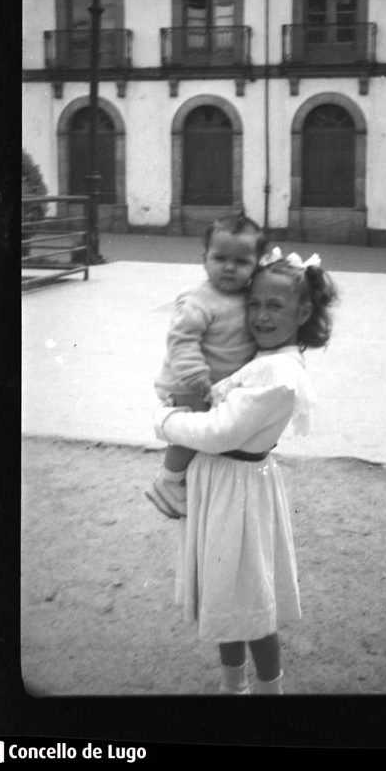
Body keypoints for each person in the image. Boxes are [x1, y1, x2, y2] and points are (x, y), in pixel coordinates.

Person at [153, 248, 338, 694]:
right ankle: (233, 688)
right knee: (225, 594)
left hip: (238, 488)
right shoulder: (261, 358)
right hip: (223, 486)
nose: (260, 315)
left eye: (274, 306)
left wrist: (163, 421)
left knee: (250, 601)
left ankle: (269, 692)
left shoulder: (279, 372)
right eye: (253, 304)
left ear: (304, 311)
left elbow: (219, 432)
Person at [145, 214, 269, 520]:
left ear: (257, 263)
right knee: (192, 432)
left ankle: (190, 478)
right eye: (220, 258)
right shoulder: (198, 300)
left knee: (211, 434)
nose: (229, 267)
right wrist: (197, 376)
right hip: (187, 382)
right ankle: (169, 480)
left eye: (241, 261)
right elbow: (181, 340)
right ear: (204, 259)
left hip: (216, 383)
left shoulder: (250, 297)